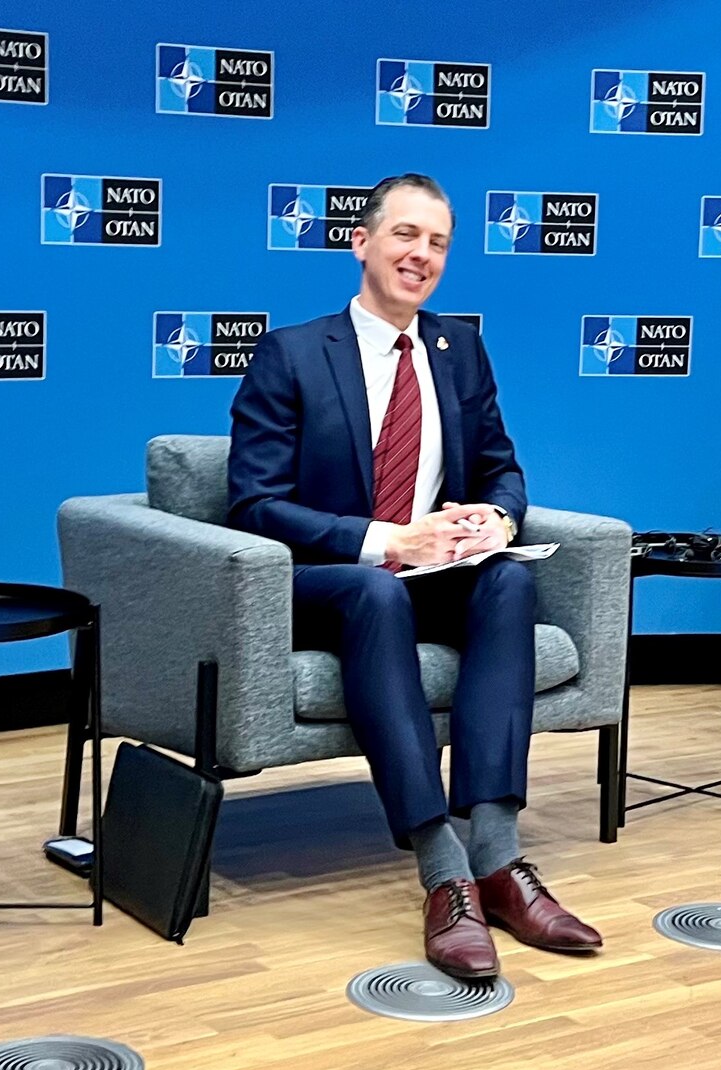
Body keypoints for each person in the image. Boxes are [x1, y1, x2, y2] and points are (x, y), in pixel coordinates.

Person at [226, 173, 601, 979]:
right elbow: (253, 505)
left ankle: (497, 861)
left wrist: (495, 522)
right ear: (360, 242)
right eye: (405, 235)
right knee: (372, 589)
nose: (420, 255)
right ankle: (443, 872)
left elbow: (504, 469)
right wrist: (388, 541)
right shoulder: (292, 352)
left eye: (437, 242)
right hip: (330, 583)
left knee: (507, 581)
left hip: (431, 576)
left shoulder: (457, 348)